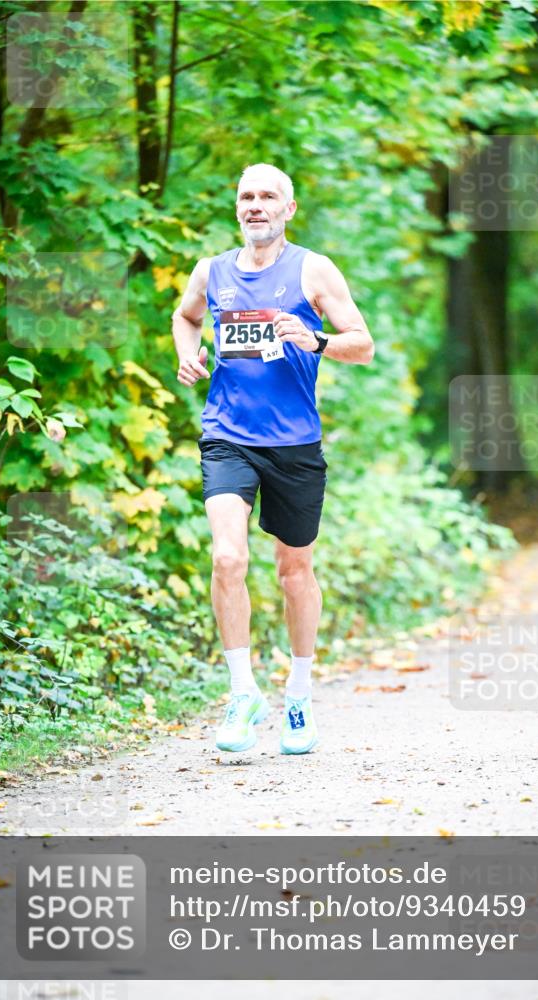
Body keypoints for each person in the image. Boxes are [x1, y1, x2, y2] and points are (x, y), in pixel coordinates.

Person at [172, 163, 374, 755]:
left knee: (293, 573)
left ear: (289, 208)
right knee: (227, 557)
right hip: (227, 435)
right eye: (246, 197)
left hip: (294, 445)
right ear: (237, 208)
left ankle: (299, 695)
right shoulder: (212, 272)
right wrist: (189, 356)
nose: (255, 205)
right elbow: (186, 317)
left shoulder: (312, 269)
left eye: (267, 197)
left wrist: (315, 340)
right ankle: (241, 695)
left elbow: (362, 344)